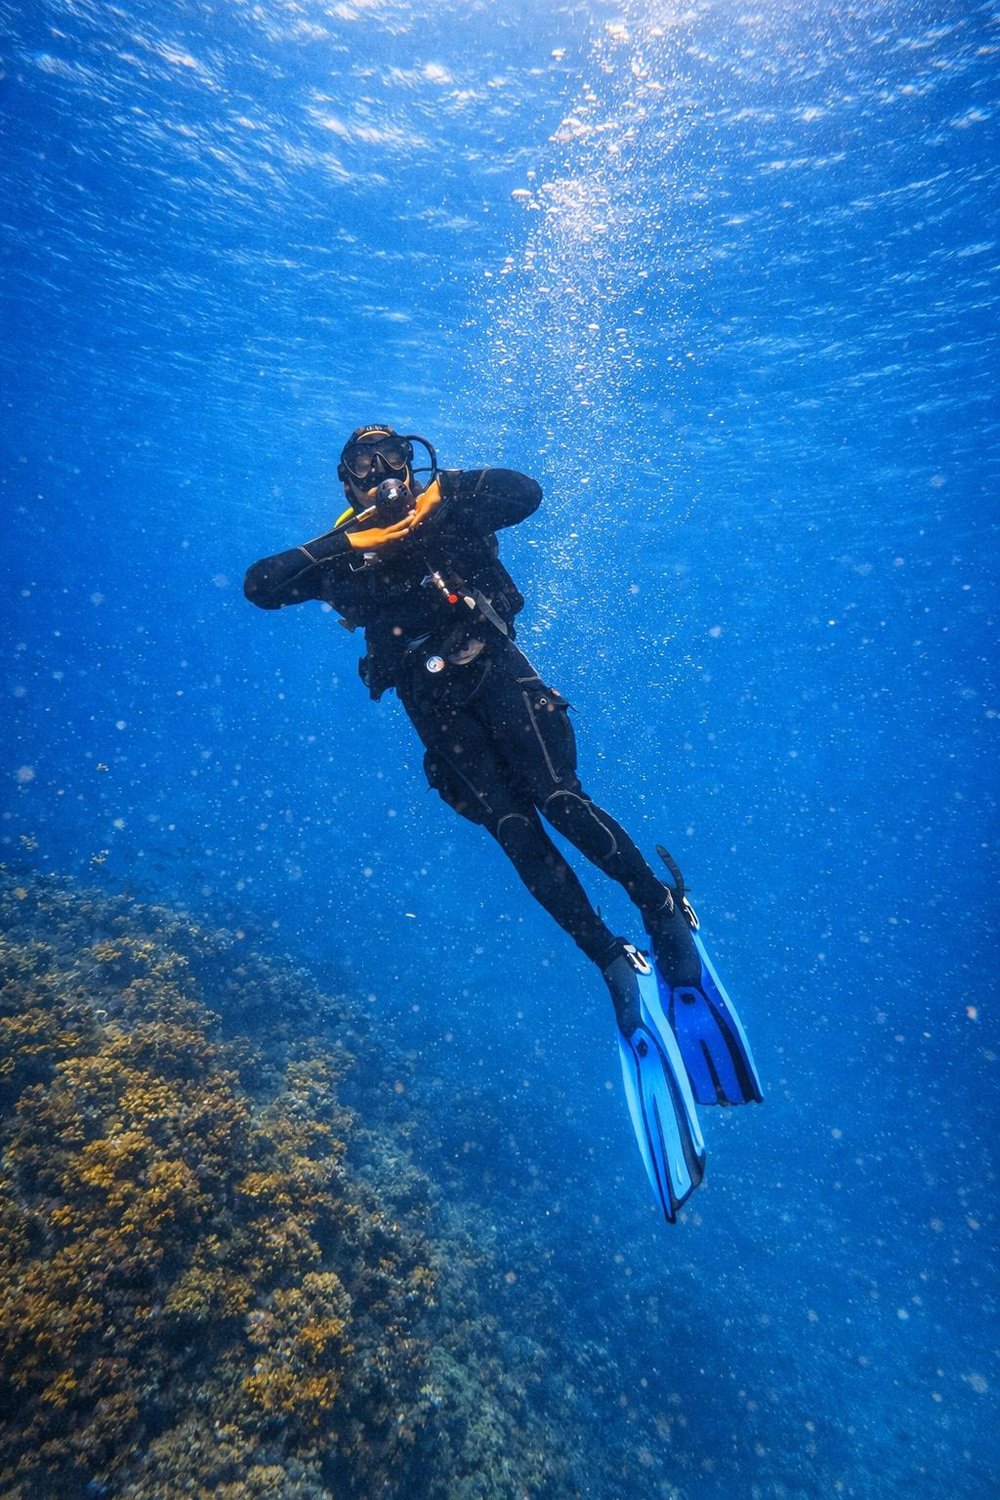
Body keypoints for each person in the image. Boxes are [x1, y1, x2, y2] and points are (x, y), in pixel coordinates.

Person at [244, 425, 761, 1221]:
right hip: (434, 711)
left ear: (414, 463)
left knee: (558, 800)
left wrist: (434, 501)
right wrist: (351, 539)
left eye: (395, 460)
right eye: (363, 468)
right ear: (344, 483)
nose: (383, 474)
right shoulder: (346, 551)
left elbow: (528, 492)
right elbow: (261, 584)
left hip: (497, 676)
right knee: (518, 836)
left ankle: (661, 911)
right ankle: (612, 961)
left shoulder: (451, 507)